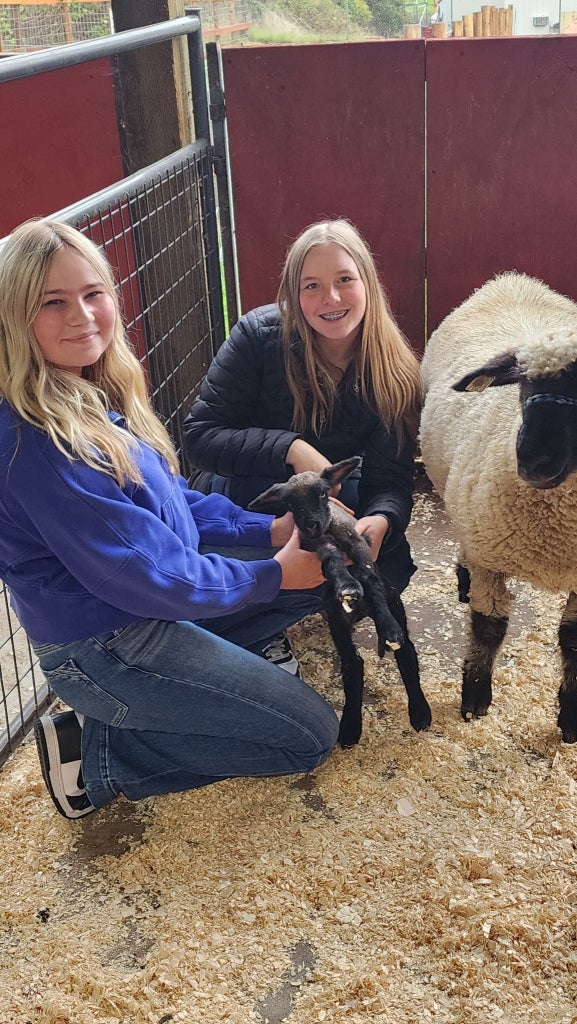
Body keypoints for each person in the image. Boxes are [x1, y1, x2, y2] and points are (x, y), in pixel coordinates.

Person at [0, 218, 341, 820]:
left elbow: (174, 501)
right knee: (308, 736)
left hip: (145, 603)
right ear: (12, 317)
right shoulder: (37, 442)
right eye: (52, 303)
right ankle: (99, 755)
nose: (82, 317)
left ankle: (195, 688)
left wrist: (270, 532)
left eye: (92, 294)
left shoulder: (88, 388)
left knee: (319, 570)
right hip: (108, 641)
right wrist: (269, 575)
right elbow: (143, 573)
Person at [183, 219, 421, 673]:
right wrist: (290, 448)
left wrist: (382, 520)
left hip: (324, 500)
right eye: (311, 286)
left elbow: (390, 479)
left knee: (389, 558)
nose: (330, 299)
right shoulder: (258, 336)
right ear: (293, 295)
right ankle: (254, 629)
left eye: (344, 280)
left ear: (368, 283)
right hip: (245, 490)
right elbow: (199, 437)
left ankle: (291, 604)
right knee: (255, 567)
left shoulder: (396, 372)